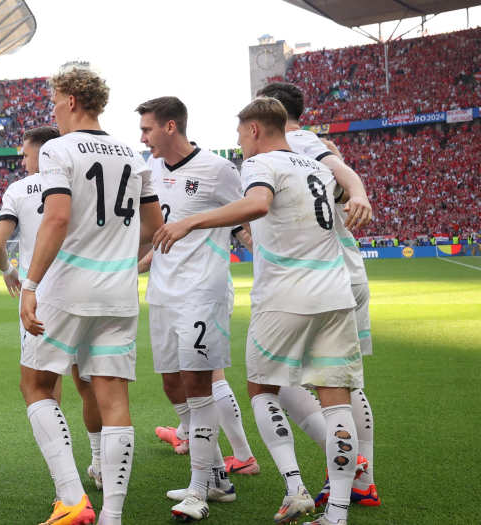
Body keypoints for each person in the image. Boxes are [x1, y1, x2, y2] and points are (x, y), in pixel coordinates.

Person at [152, 97, 365, 525]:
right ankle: (337, 513)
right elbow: (329, 200)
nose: (238, 142)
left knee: (261, 390)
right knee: (336, 402)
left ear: (254, 130)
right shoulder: (317, 166)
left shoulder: (259, 165)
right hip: (336, 295)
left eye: (239, 133)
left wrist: (190, 222)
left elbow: (259, 205)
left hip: (286, 296)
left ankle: (295, 487)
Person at [19, 68, 163, 525]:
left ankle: (72, 499)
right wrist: (114, 245)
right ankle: (113, 516)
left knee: (37, 384)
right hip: (119, 290)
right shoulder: (132, 155)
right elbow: (153, 227)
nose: (54, 109)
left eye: (57, 100)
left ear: (74, 101)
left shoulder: (58, 149)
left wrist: (29, 284)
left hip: (67, 287)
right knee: (113, 397)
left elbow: (57, 219)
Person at [257, 81, 381, 508]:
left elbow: (344, 178)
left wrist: (359, 189)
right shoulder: (311, 144)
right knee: (344, 382)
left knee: (276, 381)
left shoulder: (296, 143)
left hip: (319, 277)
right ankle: (360, 477)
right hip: (346, 271)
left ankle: (345, 468)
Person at [133, 96, 246, 520]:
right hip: (162, 293)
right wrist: (133, 268)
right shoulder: (150, 172)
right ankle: (217, 476)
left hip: (202, 291)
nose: (142, 137)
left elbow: (244, 222)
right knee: (171, 385)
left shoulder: (218, 169)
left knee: (198, 387)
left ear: (171, 127)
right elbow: (155, 235)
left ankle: (200, 489)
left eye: (147, 129)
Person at [0, 126, 111, 493]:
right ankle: (99, 464)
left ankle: (66, 483)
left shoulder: (19, 189)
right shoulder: (84, 175)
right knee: (89, 382)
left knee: (42, 385)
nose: (25, 161)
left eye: (26, 154)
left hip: (44, 294)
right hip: (95, 288)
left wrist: (11, 272)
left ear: (39, 152)